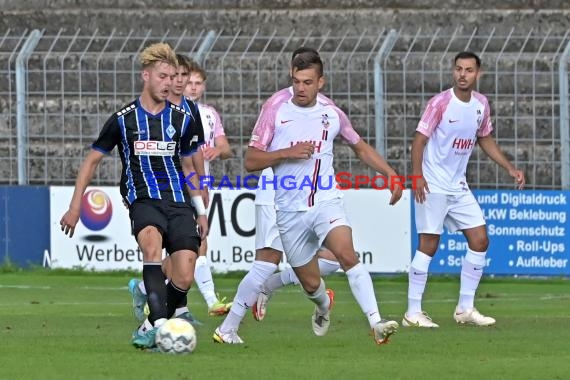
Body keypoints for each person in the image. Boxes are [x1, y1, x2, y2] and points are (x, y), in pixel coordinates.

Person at [214, 48, 403, 345]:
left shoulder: (331, 113)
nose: (300, 88)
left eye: (307, 82)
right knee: (312, 283)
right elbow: (250, 161)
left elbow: (360, 146)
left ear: (321, 82)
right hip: (289, 213)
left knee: (346, 254)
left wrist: (390, 173)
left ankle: (376, 323)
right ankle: (322, 305)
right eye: (296, 81)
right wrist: (286, 153)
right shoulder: (276, 108)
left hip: (326, 201)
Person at [60, 42, 208, 350]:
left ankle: (148, 318)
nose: (170, 83)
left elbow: (189, 165)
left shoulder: (182, 119)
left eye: (173, 77)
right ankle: (158, 326)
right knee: (151, 246)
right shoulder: (123, 119)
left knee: (184, 274)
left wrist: (201, 209)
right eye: (163, 76)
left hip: (179, 200)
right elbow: (91, 162)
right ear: (146, 76)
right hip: (143, 199)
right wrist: (75, 207)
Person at [402, 51, 525, 328]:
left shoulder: (481, 104)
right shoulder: (440, 103)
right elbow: (419, 141)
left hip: (458, 186)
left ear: (477, 74)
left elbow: (485, 138)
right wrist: (417, 176)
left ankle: (465, 308)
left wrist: (508, 167)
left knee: (480, 239)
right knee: (429, 244)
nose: (462, 74)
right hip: (432, 183)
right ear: (453, 71)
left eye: (469, 70)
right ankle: (412, 312)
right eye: (458, 69)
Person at [127, 55, 233, 321]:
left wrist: (202, 182)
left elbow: (195, 152)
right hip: (159, 188)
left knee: (189, 249)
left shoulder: (191, 111)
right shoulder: (155, 108)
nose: (183, 82)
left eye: (187, 77)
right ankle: (195, 304)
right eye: (179, 76)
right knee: (183, 249)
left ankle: (152, 293)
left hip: (187, 186)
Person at [251, 167, 341, 322]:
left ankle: (269, 285)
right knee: (269, 259)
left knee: (333, 260)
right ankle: (229, 327)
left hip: (317, 194)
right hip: (284, 197)